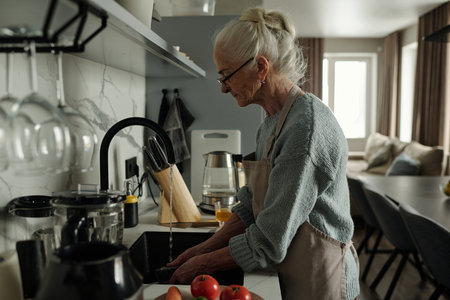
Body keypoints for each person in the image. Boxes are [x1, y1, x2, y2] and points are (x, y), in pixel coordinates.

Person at [168, 7, 360, 300]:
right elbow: (250, 206)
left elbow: (270, 239)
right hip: (292, 265)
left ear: (260, 67)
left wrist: (203, 264)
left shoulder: (305, 129)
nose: (223, 88)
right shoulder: (272, 119)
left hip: (320, 275)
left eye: (226, 76)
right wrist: (202, 248)